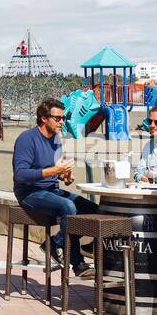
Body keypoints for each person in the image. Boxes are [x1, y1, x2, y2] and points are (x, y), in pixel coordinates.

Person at [13, 98, 96, 277]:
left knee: (93, 209)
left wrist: (64, 175)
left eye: (63, 118)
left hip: (51, 190)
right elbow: (20, 174)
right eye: (57, 118)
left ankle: (55, 242)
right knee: (68, 207)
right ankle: (77, 262)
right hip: (29, 192)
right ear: (43, 118)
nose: (62, 122)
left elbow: (54, 170)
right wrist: (54, 170)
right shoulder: (27, 139)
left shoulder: (56, 140)